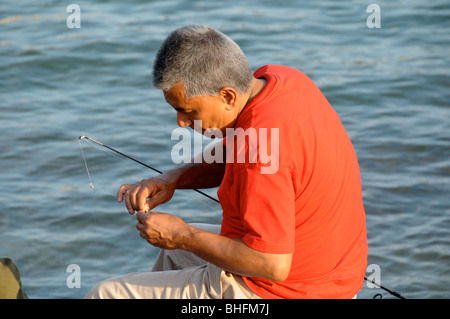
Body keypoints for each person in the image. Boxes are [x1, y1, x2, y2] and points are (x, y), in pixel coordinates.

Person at [84, 25, 367, 299]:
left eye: (188, 111)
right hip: (333, 271)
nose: (181, 123)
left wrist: (182, 234)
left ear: (228, 96)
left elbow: (273, 265)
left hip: (286, 290)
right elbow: (237, 151)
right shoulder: (284, 80)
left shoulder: (258, 152)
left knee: (106, 294)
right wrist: (172, 178)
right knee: (173, 252)